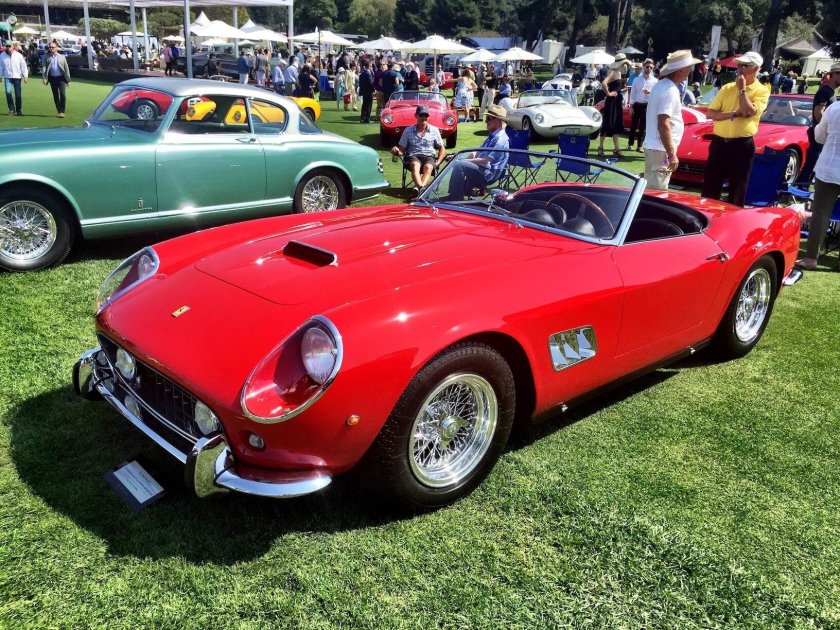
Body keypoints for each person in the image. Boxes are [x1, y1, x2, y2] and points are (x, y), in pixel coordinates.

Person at [701, 51, 770, 207]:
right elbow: (710, 114)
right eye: (738, 65)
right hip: (719, 143)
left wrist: (741, 90)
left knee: (738, 188)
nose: (739, 69)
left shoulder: (761, 90)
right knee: (710, 186)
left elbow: (747, 112)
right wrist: (733, 114)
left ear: (756, 68)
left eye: (744, 65)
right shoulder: (726, 88)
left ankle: (732, 223)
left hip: (742, 145)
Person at [643, 50, 700, 190]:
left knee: (652, 189)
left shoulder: (661, 85)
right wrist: (671, 154)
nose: (691, 70)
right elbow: (663, 123)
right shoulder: (670, 90)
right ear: (680, 70)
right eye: (689, 67)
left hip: (656, 147)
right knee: (656, 194)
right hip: (659, 149)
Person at [798, 99, 840, 270]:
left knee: (820, 213)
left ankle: (811, 258)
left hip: (829, 167)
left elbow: (819, 137)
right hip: (828, 167)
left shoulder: (834, 108)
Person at [444, 104, 510, 201]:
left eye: (489, 118)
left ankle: (456, 198)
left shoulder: (500, 140)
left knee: (460, 165)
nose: (486, 121)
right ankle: (454, 194)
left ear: (498, 120)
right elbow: (477, 152)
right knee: (459, 163)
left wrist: (462, 161)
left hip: (488, 174)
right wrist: (458, 157)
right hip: (482, 169)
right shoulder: (492, 135)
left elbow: (486, 160)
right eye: (486, 118)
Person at [797, 62, 840, 186]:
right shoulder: (825, 91)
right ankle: (800, 187)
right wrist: (827, 130)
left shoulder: (831, 92)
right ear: (834, 74)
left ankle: (804, 187)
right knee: (812, 163)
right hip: (819, 133)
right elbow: (818, 113)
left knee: (815, 163)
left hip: (823, 133)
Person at [391, 104, 446, 194]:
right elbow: (401, 149)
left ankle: (418, 188)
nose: (424, 117)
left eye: (426, 115)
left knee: (428, 167)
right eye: (421, 115)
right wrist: (396, 150)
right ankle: (421, 189)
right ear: (416, 116)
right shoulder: (408, 130)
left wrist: (438, 161)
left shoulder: (434, 130)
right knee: (415, 165)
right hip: (413, 156)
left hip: (429, 156)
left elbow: (442, 148)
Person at [597, 58, 627, 158]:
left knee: (616, 125)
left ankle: (616, 149)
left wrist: (621, 89)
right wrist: (609, 93)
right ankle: (600, 147)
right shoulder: (613, 72)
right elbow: (604, 84)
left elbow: (615, 86)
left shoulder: (618, 72)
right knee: (607, 123)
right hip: (612, 102)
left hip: (617, 101)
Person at [627, 58, 657, 152]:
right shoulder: (636, 80)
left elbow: (656, 94)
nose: (649, 69)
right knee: (633, 125)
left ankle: (640, 145)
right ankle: (630, 143)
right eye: (647, 67)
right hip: (637, 104)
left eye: (651, 67)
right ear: (644, 67)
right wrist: (631, 106)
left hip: (647, 105)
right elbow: (633, 93)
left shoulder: (654, 81)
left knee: (643, 127)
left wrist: (649, 92)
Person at [42, 41, 70, 118]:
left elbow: (66, 68)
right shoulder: (46, 57)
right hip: (52, 78)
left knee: (62, 94)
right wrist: (44, 78)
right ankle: (59, 111)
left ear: (56, 48)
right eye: (50, 47)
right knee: (55, 95)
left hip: (61, 78)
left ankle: (62, 111)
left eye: (53, 47)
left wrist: (68, 80)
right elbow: (44, 68)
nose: (51, 48)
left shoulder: (62, 57)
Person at [1, 41, 28, 116]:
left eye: (9, 46)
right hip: (7, 77)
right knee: (8, 93)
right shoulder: (2, 55)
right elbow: (0, 67)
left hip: (17, 77)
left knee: (18, 94)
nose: (8, 47)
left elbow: (23, 65)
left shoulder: (18, 55)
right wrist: (0, 76)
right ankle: (11, 109)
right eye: (7, 46)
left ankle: (18, 110)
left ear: (13, 46)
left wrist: (25, 75)